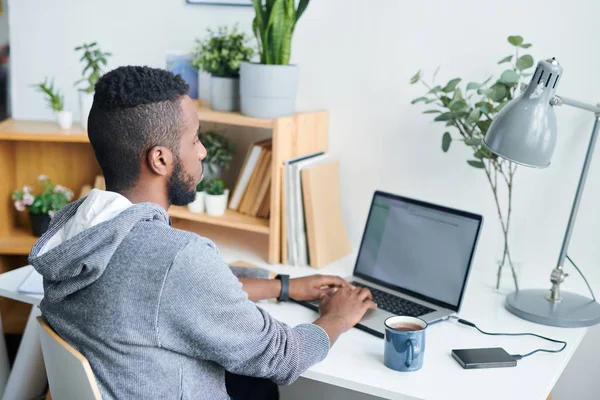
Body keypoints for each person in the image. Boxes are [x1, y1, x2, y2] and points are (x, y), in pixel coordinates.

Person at [28, 66, 376, 400]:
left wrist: (283, 287)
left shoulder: (75, 228)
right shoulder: (176, 258)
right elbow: (283, 358)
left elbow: (172, 295)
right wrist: (338, 317)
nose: (202, 151)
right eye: (194, 139)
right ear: (160, 160)